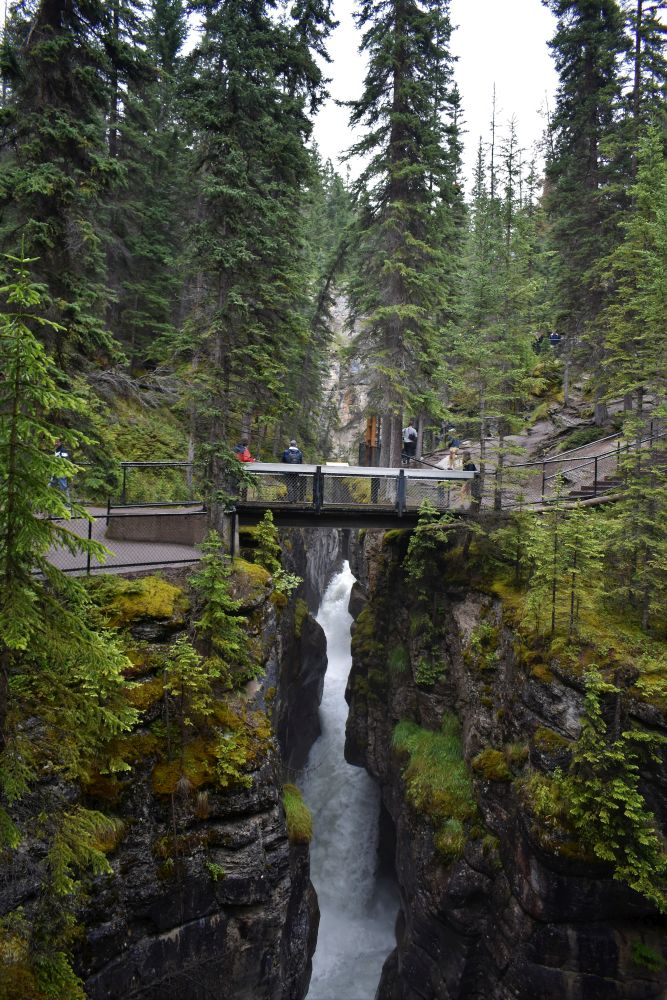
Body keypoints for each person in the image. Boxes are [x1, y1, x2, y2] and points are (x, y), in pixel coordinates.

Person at [50, 439, 71, 505]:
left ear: (60, 442)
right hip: (55, 471)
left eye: (57, 442)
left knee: (63, 486)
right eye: (55, 442)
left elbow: (65, 461)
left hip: (61, 471)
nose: (56, 443)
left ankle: (67, 502)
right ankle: (50, 500)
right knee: (51, 485)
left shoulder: (63, 450)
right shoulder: (56, 450)